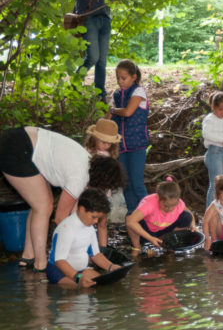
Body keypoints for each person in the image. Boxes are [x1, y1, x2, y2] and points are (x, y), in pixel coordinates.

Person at [0, 127, 126, 272]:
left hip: (24, 141)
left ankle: (28, 257)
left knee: (40, 203)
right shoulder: (79, 177)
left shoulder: (88, 164)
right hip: (17, 148)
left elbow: (75, 211)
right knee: (43, 206)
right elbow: (60, 219)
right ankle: (41, 265)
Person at [46, 188, 120, 288]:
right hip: (58, 271)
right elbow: (60, 261)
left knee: (105, 283)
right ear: (81, 209)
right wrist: (78, 278)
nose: (96, 221)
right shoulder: (66, 228)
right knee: (87, 287)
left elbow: (95, 254)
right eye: (93, 217)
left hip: (80, 270)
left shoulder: (89, 228)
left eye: (98, 218)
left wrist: (111, 267)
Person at [109, 59, 150, 220]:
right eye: (118, 78)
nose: (120, 81)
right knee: (125, 183)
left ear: (134, 77)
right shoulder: (116, 95)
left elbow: (127, 112)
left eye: (123, 78)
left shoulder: (138, 92)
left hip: (137, 145)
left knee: (137, 182)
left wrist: (113, 110)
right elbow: (109, 119)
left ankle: (148, 216)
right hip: (121, 147)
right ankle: (132, 217)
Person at [126, 177, 196, 255]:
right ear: (158, 198)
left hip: (164, 231)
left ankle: (169, 242)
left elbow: (190, 214)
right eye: (166, 206)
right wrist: (150, 238)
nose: (170, 209)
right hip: (147, 231)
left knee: (187, 217)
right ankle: (137, 247)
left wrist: (193, 225)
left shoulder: (179, 203)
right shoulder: (149, 203)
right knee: (129, 216)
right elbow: (130, 221)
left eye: (173, 205)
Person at [74, 0, 112, 101]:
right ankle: (74, 85)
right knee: (93, 57)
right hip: (89, 16)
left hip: (105, 17)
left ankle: (100, 95)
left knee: (102, 61)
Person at [85, 118, 121, 246]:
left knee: (102, 223)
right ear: (94, 139)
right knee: (86, 222)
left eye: (109, 143)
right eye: (103, 142)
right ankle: (87, 248)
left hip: (104, 194)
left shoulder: (110, 155)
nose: (106, 145)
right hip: (88, 192)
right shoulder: (88, 153)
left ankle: (103, 248)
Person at [202, 91, 223, 209]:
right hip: (214, 153)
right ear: (213, 107)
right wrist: (222, 140)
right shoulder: (210, 119)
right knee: (216, 184)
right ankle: (210, 214)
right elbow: (207, 134)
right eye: (220, 109)